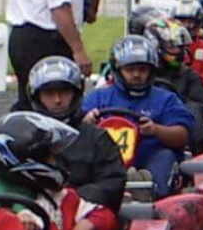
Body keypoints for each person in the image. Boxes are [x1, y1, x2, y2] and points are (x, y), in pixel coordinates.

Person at [82, 36, 196, 199]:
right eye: (130, 70)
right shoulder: (98, 98)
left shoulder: (166, 99)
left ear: (151, 70)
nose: (136, 75)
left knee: (165, 156)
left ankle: (150, 192)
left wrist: (156, 130)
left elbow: (183, 135)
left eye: (142, 70)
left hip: (149, 157)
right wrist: (87, 123)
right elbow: (72, 133)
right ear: (118, 69)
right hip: (104, 161)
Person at [27, 56, 128, 212]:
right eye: (49, 93)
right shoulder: (23, 137)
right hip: (32, 216)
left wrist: (68, 200)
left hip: (84, 217)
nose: (57, 100)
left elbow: (112, 186)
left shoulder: (97, 138)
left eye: (64, 92)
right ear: (36, 96)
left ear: (77, 93)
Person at [145, 16, 203, 148]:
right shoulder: (142, 76)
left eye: (180, 46)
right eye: (172, 46)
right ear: (155, 46)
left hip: (178, 132)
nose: (178, 51)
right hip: (143, 130)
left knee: (194, 107)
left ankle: (195, 147)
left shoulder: (189, 76)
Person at [172, 0, 203, 93]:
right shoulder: (166, 47)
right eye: (182, 21)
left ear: (198, 23)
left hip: (195, 97)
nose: (185, 26)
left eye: (190, 22)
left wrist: (195, 88)